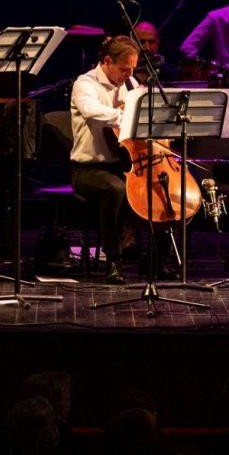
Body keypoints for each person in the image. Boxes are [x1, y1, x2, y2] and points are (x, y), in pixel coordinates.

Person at [70, 35, 140, 282]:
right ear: (108, 61)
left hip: (121, 163)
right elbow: (91, 111)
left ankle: (154, 260)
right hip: (87, 169)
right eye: (124, 69)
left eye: (132, 69)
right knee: (116, 189)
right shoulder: (85, 84)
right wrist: (129, 115)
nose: (128, 74)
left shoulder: (128, 82)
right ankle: (113, 260)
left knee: (153, 188)